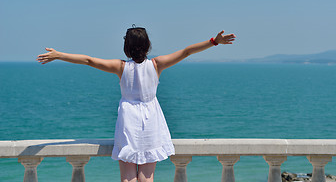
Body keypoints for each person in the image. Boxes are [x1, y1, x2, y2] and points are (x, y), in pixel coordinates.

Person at [37, 26, 236, 182]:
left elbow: (89, 60)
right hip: (151, 121)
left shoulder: (121, 67)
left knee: (128, 178)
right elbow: (185, 52)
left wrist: (59, 55)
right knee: (147, 178)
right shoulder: (156, 65)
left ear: (127, 47)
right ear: (147, 45)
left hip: (128, 122)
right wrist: (213, 42)